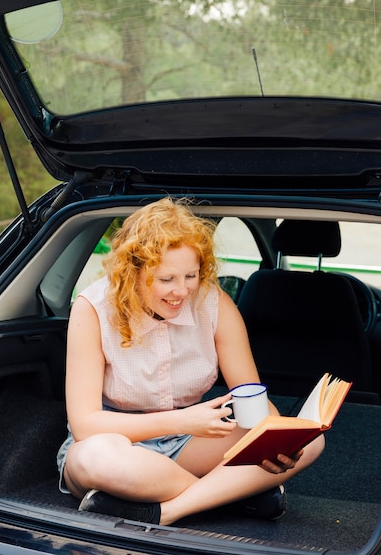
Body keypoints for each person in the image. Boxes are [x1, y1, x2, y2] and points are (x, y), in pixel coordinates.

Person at [57, 197, 324, 525]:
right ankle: (229, 496)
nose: (181, 291)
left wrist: (275, 441)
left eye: (191, 275)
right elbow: (86, 425)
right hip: (117, 442)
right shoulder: (94, 308)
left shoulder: (215, 304)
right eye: (166, 279)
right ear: (133, 271)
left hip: (191, 442)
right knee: (95, 458)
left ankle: (169, 510)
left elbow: (254, 400)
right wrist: (181, 421)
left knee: (309, 440)